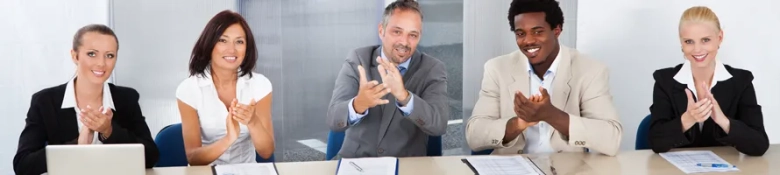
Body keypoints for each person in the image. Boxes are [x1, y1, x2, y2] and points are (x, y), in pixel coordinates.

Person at [465, 0, 623, 156]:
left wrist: (551, 115)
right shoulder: (497, 69)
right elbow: (474, 135)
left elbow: (611, 139)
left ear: (557, 30)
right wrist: (519, 123)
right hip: (512, 168)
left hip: (568, 169)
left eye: (537, 31)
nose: (528, 41)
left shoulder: (589, 70)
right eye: (521, 33)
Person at [13, 24, 159, 174]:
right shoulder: (45, 101)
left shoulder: (126, 98)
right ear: (75, 56)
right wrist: (77, 145)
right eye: (92, 54)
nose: (101, 63)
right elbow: (23, 165)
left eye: (109, 55)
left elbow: (151, 157)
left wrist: (109, 131)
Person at [326, 0, 449, 158]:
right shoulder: (358, 59)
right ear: (381, 30)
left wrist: (404, 97)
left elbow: (438, 126)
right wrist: (359, 104)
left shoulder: (432, 69)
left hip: (407, 165)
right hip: (356, 163)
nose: (404, 42)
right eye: (397, 32)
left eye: (412, 35)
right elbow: (333, 119)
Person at [648, 6, 769, 156]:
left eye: (705, 40)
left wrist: (724, 121)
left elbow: (759, 145)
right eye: (689, 41)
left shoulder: (741, 81)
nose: (697, 49)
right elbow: (655, 142)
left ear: (719, 38)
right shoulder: (665, 80)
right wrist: (687, 119)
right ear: (681, 42)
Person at [176, 10, 275, 165]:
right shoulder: (188, 89)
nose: (232, 50)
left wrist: (253, 121)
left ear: (246, 48)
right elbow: (193, 157)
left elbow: (267, 151)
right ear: (209, 45)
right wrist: (229, 138)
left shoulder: (260, 85)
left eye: (239, 42)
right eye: (223, 40)